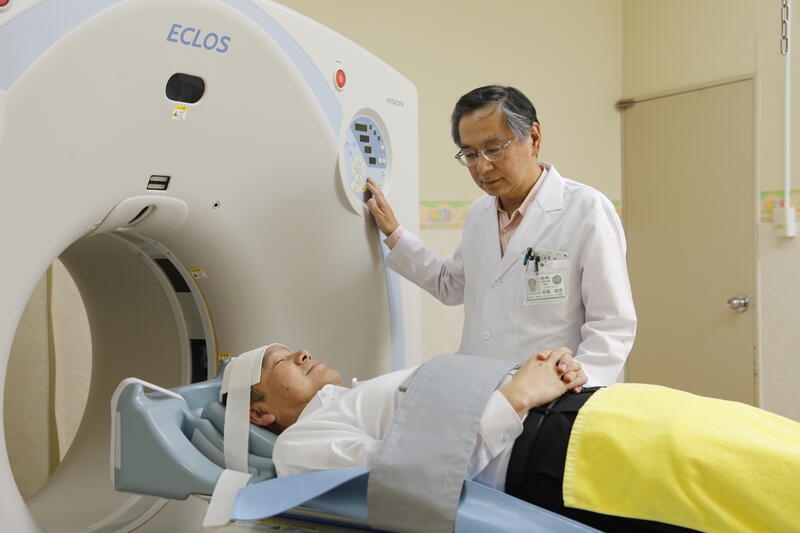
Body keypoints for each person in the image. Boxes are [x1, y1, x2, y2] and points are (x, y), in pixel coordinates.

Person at [243, 344, 800, 533]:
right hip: (569, 456)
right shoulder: (300, 443)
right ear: (260, 411)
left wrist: (549, 372)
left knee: (754, 435)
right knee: (750, 477)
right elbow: (406, 480)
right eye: (278, 361)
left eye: (294, 347)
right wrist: (517, 396)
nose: (302, 353)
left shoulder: (357, 395)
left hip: (594, 410)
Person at [367, 85, 636, 385]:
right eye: (470, 154)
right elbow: (451, 285)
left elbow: (612, 324)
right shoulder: (479, 215)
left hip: (551, 393)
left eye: (494, 149)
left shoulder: (587, 209)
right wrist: (394, 233)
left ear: (533, 138)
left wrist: (578, 378)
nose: (482, 167)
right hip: (476, 386)